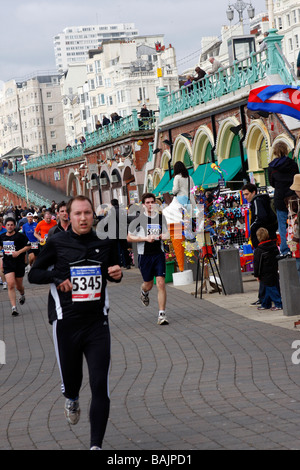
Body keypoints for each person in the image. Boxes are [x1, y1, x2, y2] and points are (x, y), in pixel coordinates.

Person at [28, 195, 122, 450]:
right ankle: (71, 397)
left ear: (93, 215)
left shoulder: (105, 242)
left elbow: (113, 272)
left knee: (100, 384)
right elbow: (34, 274)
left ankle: (95, 446)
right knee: (73, 381)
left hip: (96, 323)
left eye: (87, 213)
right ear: (68, 215)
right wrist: (57, 277)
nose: (83, 218)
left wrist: (117, 274)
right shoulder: (57, 242)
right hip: (66, 323)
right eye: (78, 214)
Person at [127, 193, 170, 325]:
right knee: (148, 285)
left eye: (153, 202)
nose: (151, 205)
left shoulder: (161, 218)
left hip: (158, 254)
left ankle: (162, 315)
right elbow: (129, 238)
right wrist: (145, 238)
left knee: (161, 283)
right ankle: (144, 291)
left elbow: (168, 234)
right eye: (148, 202)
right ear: (143, 204)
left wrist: (164, 235)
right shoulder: (137, 220)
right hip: (144, 256)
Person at [242, 183, 278, 306]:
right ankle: (264, 298)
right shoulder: (259, 201)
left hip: (263, 241)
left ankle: (267, 299)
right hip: (267, 239)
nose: (245, 197)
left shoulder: (257, 201)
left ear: (253, 192)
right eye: (244, 194)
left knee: (264, 271)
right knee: (266, 271)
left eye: (247, 194)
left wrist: (252, 228)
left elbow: (260, 217)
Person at [268, 141, 299, 258]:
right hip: (293, 197)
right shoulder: (292, 164)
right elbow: (297, 177)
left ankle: (285, 250)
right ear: (286, 150)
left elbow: (272, 183)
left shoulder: (271, 167)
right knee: (295, 222)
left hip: (280, 198)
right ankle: (296, 246)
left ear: (275, 151)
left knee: (282, 225)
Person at [0, 217, 31, 316]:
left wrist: (18, 252)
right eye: (8, 225)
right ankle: (14, 307)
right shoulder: (2, 237)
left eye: (11, 225)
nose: (10, 227)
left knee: (18, 286)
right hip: (7, 263)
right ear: (6, 225)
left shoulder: (20, 236)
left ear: (14, 226)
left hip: (18, 263)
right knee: (10, 284)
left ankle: (22, 294)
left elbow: (28, 246)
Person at [253, 227, 282, 311]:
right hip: (273, 270)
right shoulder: (274, 246)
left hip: (264, 273)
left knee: (271, 288)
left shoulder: (259, 250)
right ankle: (266, 303)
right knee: (269, 288)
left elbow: (257, 264)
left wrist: (256, 275)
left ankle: (278, 303)